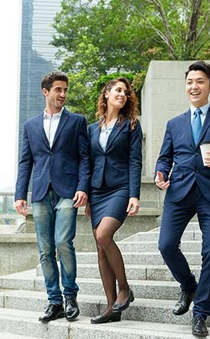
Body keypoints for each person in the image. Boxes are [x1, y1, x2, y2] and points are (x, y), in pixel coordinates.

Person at [155, 60, 210, 337]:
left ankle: (201, 312)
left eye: (200, 81)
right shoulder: (174, 123)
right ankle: (189, 286)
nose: (194, 86)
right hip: (179, 191)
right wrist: (160, 173)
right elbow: (164, 157)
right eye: (190, 82)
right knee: (166, 244)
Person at [15, 71, 91, 322]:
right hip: (39, 193)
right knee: (45, 249)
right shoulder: (31, 125)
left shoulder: (77, 121)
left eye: (65, 90)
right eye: (58, 89)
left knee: (62, 242)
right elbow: (26, 161)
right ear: (45, 92)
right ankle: (54, 301)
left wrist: (83, 188)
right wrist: (19, 195)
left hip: (68, 191)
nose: (63, 94)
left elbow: (84, 158)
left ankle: (70, 296)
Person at [85, 78, 142, 324]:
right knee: (100, 249)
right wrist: (85, 194)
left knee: (103, 236)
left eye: (126, 92)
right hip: (97, 191)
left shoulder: (131, 125)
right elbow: (87, 163)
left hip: (120, 188)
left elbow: (135, 161)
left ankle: (125, 289)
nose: (123, 94)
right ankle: (111, 308)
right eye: (118, 90)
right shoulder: (91, 128)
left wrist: (134, 194)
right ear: (106, 93)